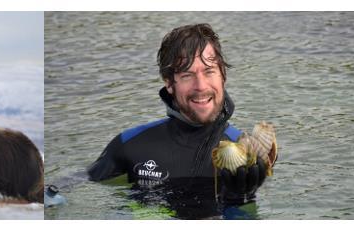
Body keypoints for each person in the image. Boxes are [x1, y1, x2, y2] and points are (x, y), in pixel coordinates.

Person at [86, 24, 268, 219]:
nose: (201, 86)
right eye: (187, 75)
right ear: (169, 83)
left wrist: (241, 200)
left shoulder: (247, 154)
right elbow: (79, 188)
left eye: (209, 71)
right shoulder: (129, 145)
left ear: (222, 74)